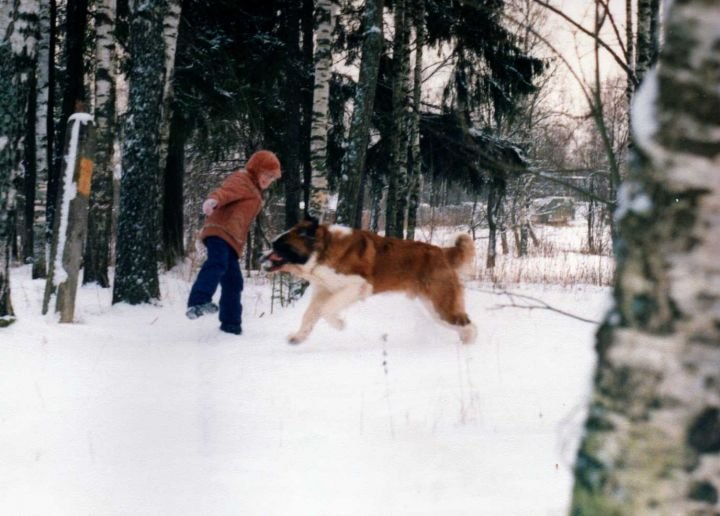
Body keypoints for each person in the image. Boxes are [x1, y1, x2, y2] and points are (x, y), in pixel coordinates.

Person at [186, 150, 281, 334]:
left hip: (231, 239)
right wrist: (214, 200)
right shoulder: (242, 179)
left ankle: (231, 324)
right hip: (220, 231)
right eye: (266, 175)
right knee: (217, 263)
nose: (268, 180)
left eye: (271, 178)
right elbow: (226, 191)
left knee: (234, 281)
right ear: (256, 169)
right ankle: (198, 300)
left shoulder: (254, 190)